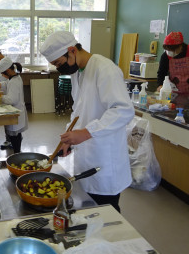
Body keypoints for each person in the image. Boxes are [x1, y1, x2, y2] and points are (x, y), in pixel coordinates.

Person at [40, 31, 135, 213]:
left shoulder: (105, 69)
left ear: (71, 50)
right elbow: (79, 110)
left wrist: (86, 133)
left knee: (107, 212)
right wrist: (68, 138)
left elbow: (123, 110)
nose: (60, 69)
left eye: (59, 63)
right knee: (89, 207)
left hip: (105, 157)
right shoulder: (78, 72)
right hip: (87, 156)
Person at [0, 58, 28, 153]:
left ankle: (17, 152)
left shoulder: (14, 81)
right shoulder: (15, 77)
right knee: (16, 134)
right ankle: (16, 150)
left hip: (15, 111)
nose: (2, 75)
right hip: (17, 110)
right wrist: (1, 84)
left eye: (3, 73)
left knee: (15, 135)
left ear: (9, 71)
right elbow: (8, 83)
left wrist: (0, 97)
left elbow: (12, 100)